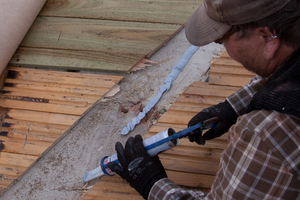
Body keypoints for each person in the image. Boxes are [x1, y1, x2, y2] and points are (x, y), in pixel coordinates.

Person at [108, 0, 300, 199]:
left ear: (267, 38)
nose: (223, 47)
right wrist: (232, 107)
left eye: (221, 39)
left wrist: (151, 182)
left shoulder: (264, 133)